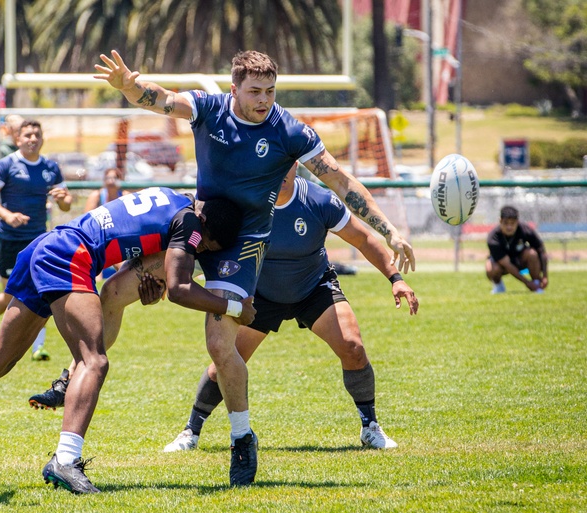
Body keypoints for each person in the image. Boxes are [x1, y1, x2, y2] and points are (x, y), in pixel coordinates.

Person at [93, 49, 415, 486]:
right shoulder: (209, 109)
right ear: (234, 89)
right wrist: (130, 87)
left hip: (244, 250)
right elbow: (163, 98)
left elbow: (341, 181)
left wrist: (390, 230)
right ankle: (79, 368)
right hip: (201, 227)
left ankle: (242, 439)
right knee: (114, 292)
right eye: (255, 91)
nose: (264, 100)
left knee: (220, 346)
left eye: (270, 91)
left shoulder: (289, 131)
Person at [0, 188, 256, 495]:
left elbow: (131, 238)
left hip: (47, 245)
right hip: (70, 253)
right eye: (206, 247)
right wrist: (235, 306)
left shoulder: (173, 200)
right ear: (205, 227)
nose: (200, 253)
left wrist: (145, 281)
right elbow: (180, 288)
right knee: (95, 361)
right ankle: (66, 459)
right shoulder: (191, 225)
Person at [158, 166, 418, 452]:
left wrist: (396, 278)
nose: (281, 169)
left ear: (295, 163)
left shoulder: (318, 201)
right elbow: (207, 246)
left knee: (353, 347)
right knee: (227, 359)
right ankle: (190, 432)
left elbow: (363, 239)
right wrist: (164, 278)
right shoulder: (249, 205)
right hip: (260, 295)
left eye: (288, 161)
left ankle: (370, 427)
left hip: (313, 288)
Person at [0, 119, 73, 361]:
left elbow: (65, 204)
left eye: (37, 135)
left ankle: (37, 347)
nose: (32, 139)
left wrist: (63, 198)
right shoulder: (6, 165)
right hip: (10, 239)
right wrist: (8, 216)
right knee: (11, 296)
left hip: (39, 239)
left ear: (42, 139)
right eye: (27, 135)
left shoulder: (51, 168)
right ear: (17, 139)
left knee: (42, 291)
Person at [486, 205, 548, 294]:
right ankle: (499, 287)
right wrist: (527, 283)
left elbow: (541, 251)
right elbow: (507, 265)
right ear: (500, 221)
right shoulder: (493, 237)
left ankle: (536, 283)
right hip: (503, 266)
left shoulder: (525, 230)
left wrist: (545, 276)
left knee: (532, 254)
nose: (509, 227)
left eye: (512, 223)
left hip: (520, 261)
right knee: (490, 267)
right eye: (506, 223)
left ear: (517, 222)